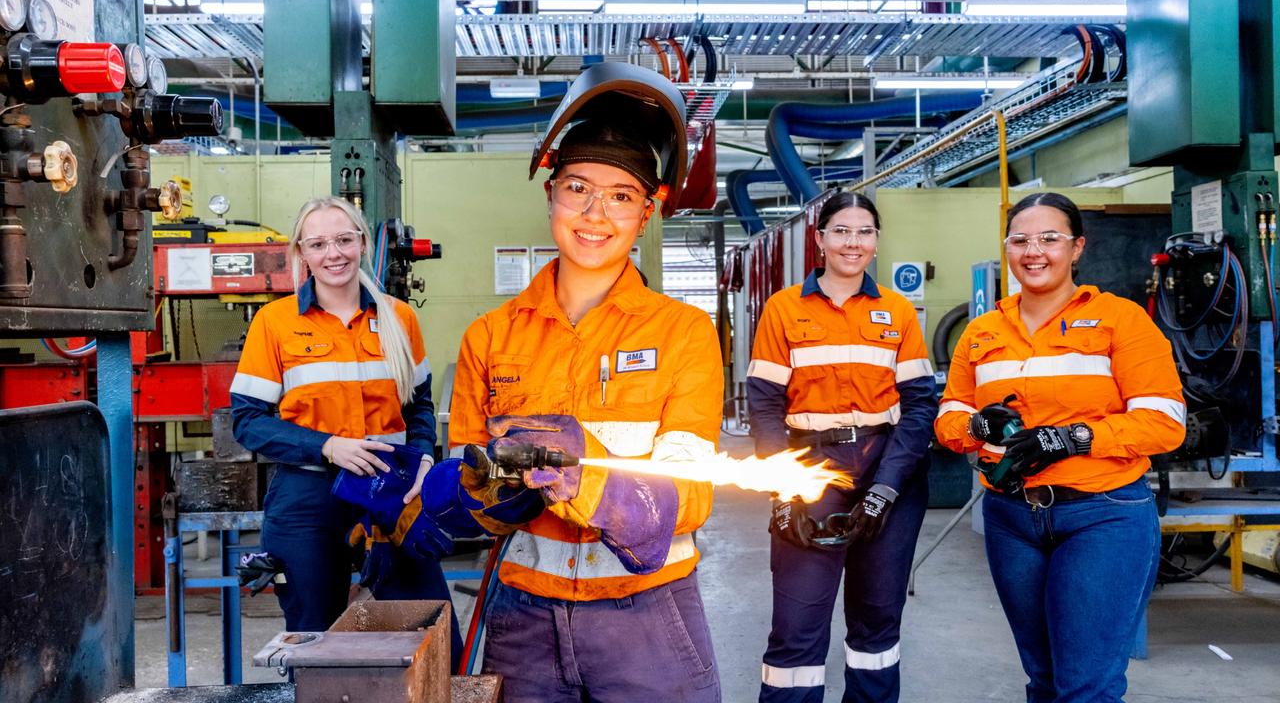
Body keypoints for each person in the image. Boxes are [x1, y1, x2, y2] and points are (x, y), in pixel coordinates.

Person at [448, 61, 723, 702]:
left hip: (649, 611)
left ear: (648, 212)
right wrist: (487, 490)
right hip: (523, 618)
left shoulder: (682, 332)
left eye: (622, 196)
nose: (595, 213)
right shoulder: (490, 337)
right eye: (578, 188)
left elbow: (693, 493)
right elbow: (470, 485)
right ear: (550, 193)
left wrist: (591, 482)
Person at [934, 192, 1186, 702]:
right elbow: (949, 415)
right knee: (1044, 680)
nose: (1035, 251)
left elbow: (1165, 422)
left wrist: (1075, 437)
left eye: (1051, 238)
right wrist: (979, 425)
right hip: (1011, 518)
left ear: (1077, 248)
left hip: (1102, 514)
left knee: (1085, 687)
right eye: (1021, 239)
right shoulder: (981, 333)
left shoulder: (1122, 320)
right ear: (1006, 248)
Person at [230, 197, 461, 661]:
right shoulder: (275, 324)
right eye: (317, 244)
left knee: (431, 636)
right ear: (302, 253)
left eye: (342, 239)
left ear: (362, 243)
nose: (332, 253)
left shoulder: (400, 318)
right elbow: (248, 421)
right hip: (308, 499)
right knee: (314, 643)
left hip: (391, 493)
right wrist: (327, 446)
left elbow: (418, 407)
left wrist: (423, 461)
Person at [747, 191, 938, 703]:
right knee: (797, 622)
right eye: (842, 231)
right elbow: (764, 407)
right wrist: (783, 492)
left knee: (878, 621)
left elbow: (920, 406)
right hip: (811, 469)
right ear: (821, 239)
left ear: (876, 242)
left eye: (865, 232)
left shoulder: (897, 311)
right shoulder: (784, 309)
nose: (853, 242)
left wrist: (887, 489)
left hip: (887, 467)